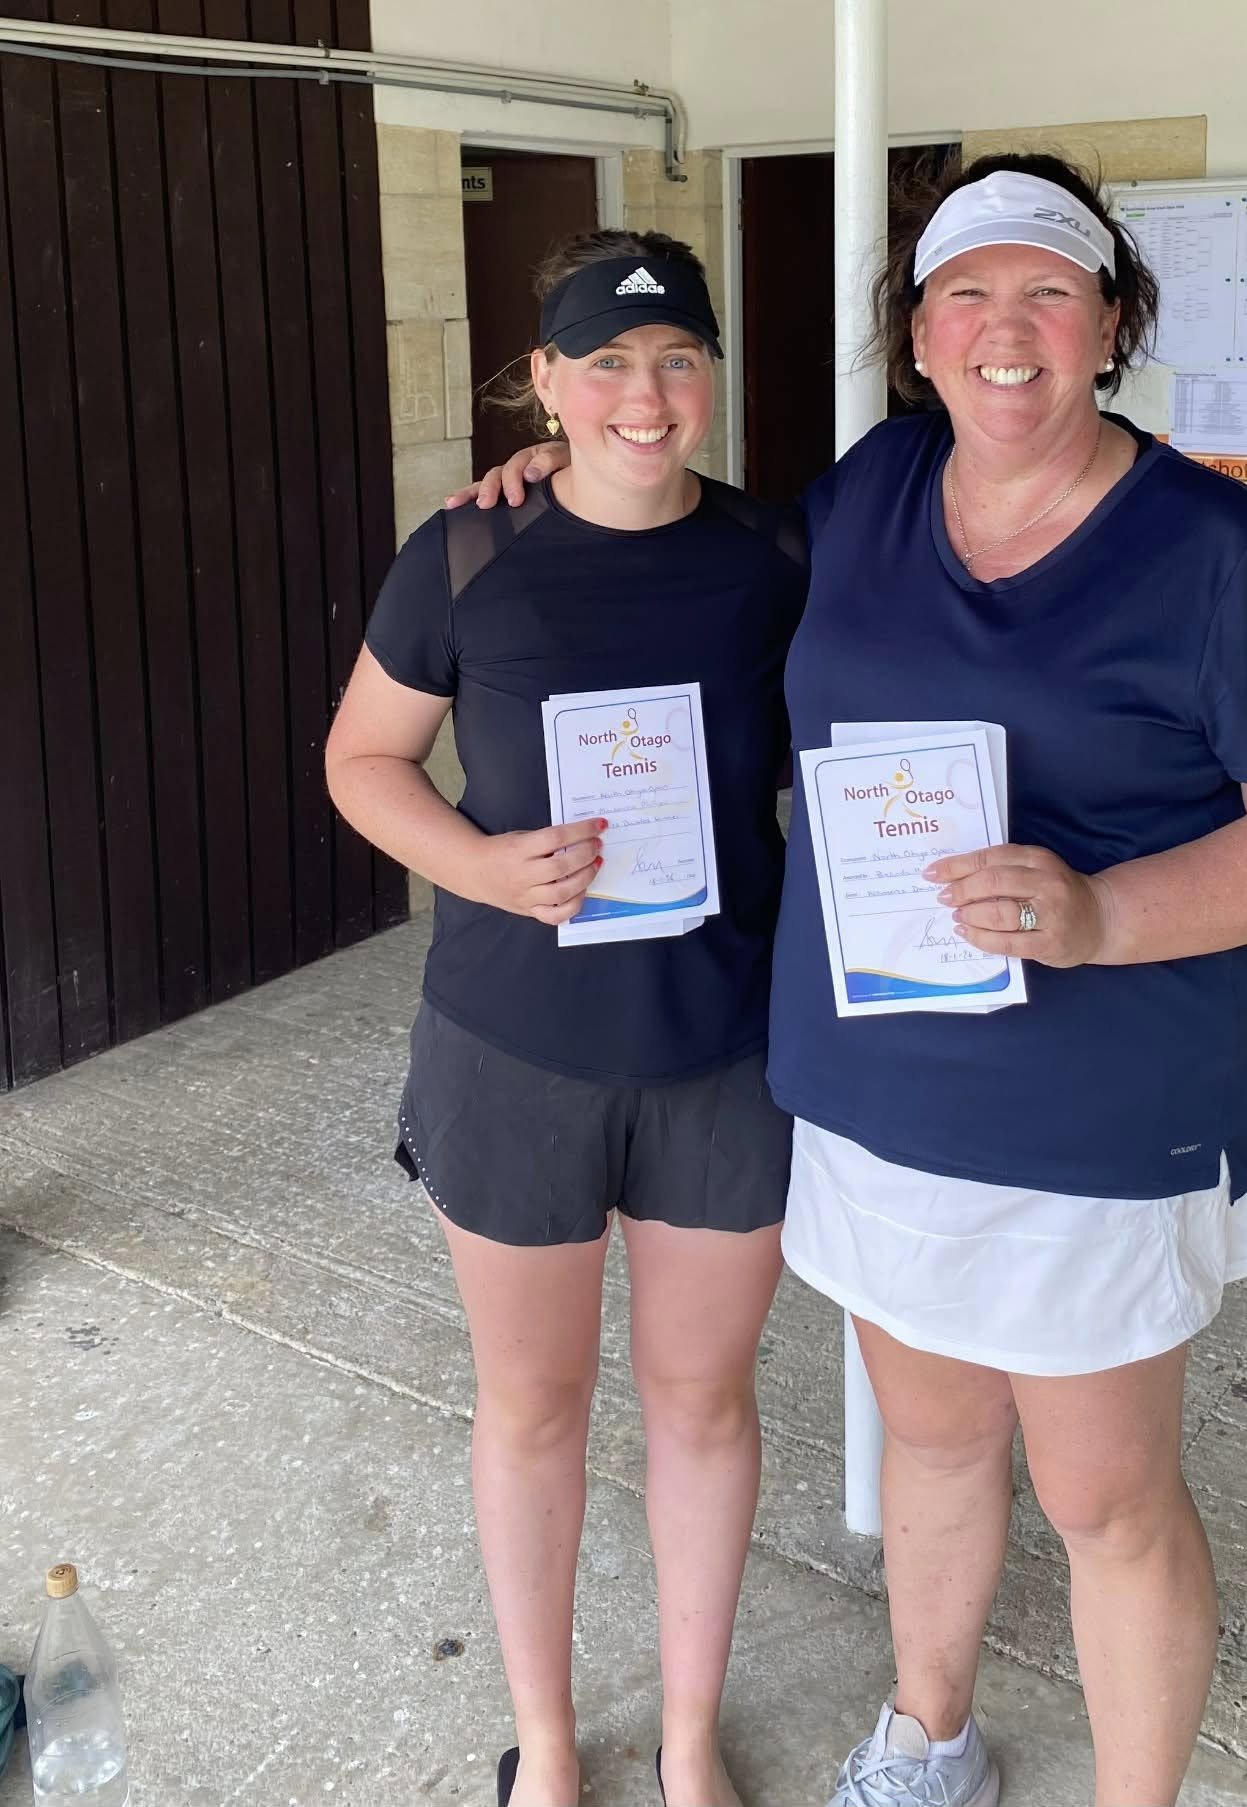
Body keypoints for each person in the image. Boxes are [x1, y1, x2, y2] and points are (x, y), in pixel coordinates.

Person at [460, 154, 1247, 1807]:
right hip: (881, 1085)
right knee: (939, 1439)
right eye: (968, 294)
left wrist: (1099, 914)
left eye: (1048, 291)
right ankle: (928, 1731)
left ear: (1109, 325)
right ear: (919, 335)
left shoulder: (1223, 549)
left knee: (1106, 1500)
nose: (1006, 331)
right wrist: (578, 456)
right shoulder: (876, 489)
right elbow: (694, 547)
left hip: (1100, 1113)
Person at [326, 229, 807, 1807]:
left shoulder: (775, 558)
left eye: (675, 360)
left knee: (701, 1401)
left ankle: (685, 1734)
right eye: (603, 364)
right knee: (533, 1407)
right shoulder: (463, 559)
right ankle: (544, 1734)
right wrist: (477, 861)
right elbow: (362, 762)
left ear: (715, 378)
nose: (643, 397)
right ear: (545, 381)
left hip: (722, 1051)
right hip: (513, 1050)